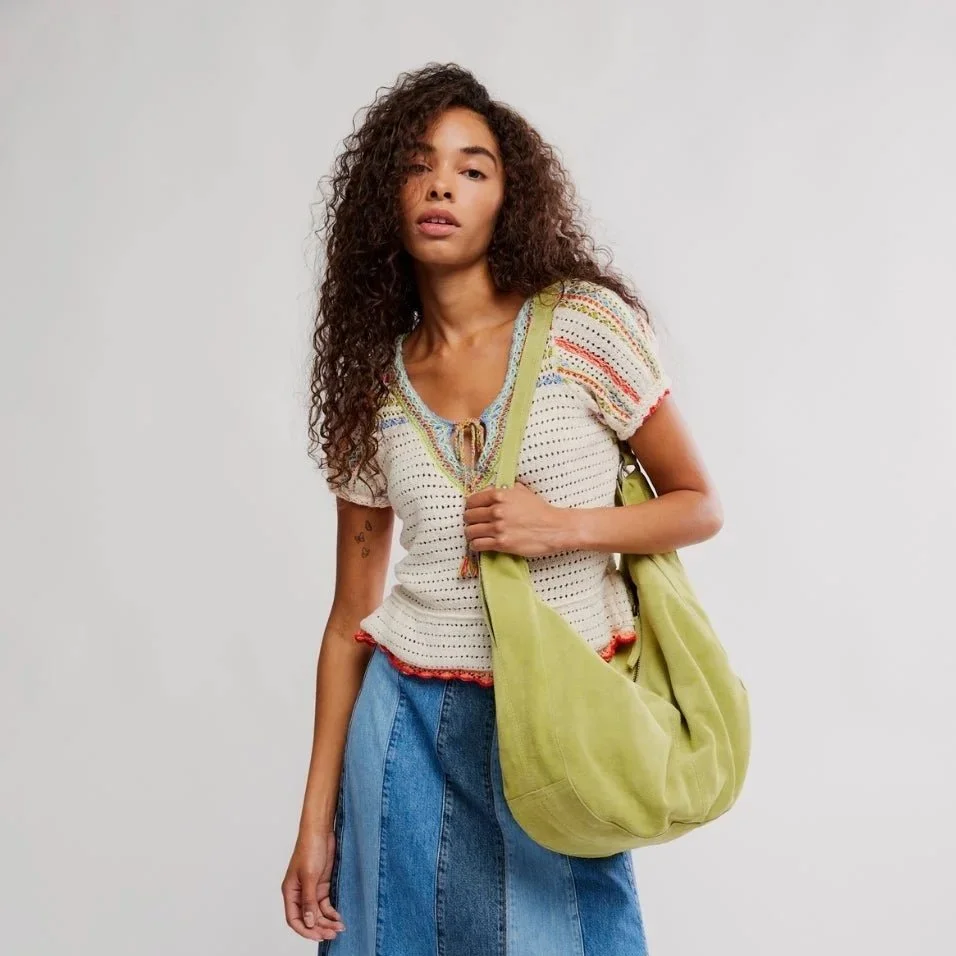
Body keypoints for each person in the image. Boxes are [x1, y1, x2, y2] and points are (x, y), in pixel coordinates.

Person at [281, 62, 723, 955]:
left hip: (561, 725)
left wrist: (563, 528)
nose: (442, 184)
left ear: (506, 199)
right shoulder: (372, 388)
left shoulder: (583, 327)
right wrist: (316, 820)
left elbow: (698, 504)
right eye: (418, 165)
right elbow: (349, 619)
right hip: (403, 733)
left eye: (472, 167)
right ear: (386, 197)